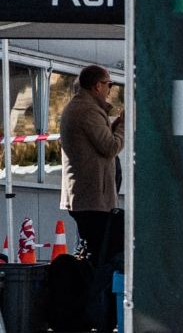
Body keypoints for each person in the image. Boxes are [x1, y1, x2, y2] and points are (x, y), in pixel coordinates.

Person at [59, 65, 122, 261]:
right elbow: (110, 146)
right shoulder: (87, 111)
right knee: (104, 254)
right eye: (109, 84)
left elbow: (98, 138)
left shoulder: (80, 107)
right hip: (93, 198)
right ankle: (98, 291)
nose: (109, 90)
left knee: (98, 250)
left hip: (87, 197)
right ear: (98, 85)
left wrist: (117, 124)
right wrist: (124, 128)